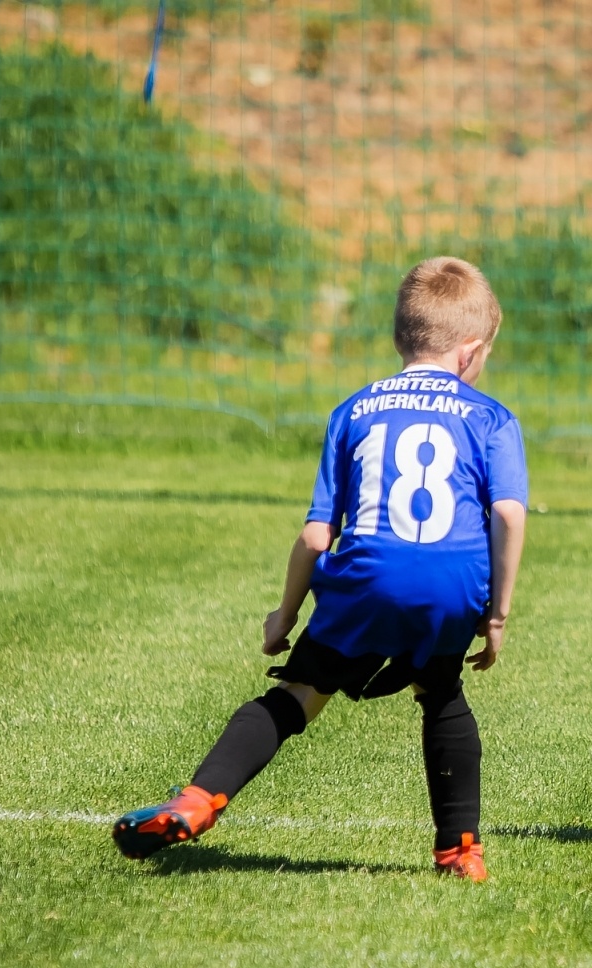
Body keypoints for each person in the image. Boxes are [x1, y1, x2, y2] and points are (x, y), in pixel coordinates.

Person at [112, 257, 528, 882]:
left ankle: (196, 802)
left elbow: (315, 536)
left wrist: (284, 616)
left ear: (401, 337)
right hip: (453, 588)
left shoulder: (353, 411)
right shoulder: (491, 416)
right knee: (441, 694)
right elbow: (509, 514)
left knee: (300, 695)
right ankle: (460, 852)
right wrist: (496, 615)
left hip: (364, 583)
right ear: (471, 351)